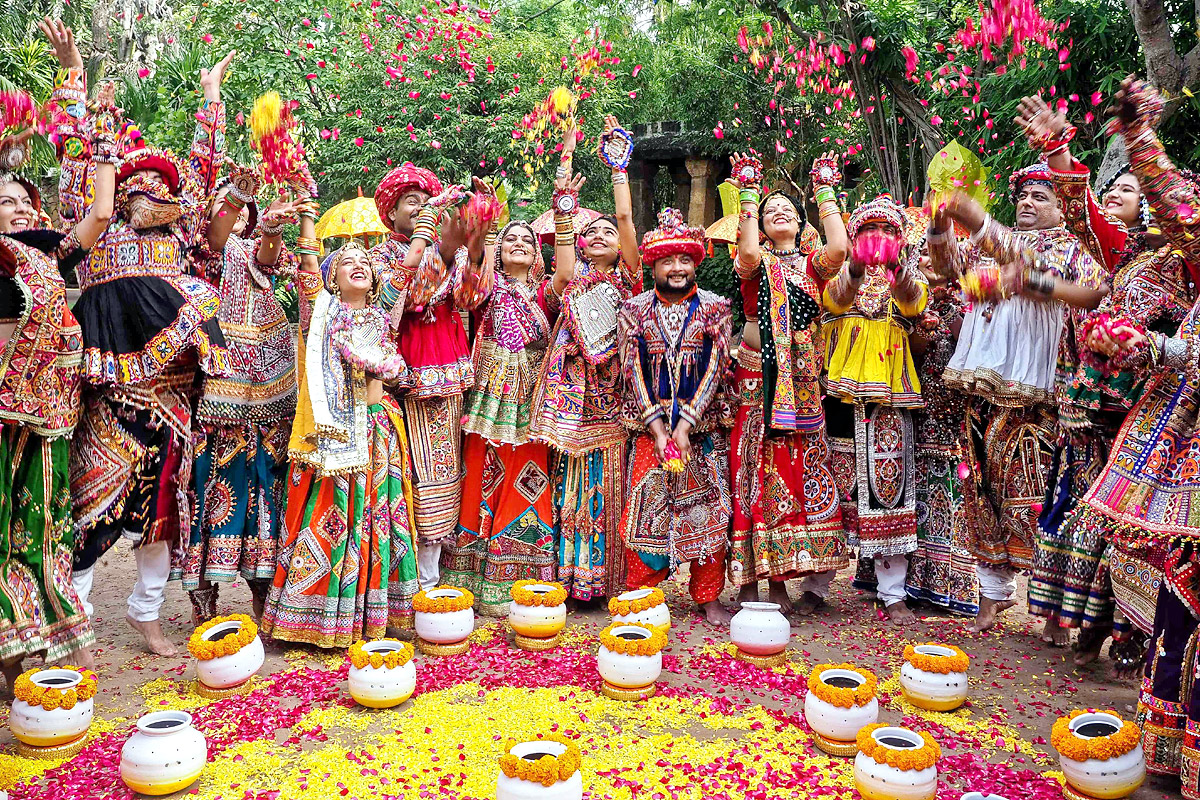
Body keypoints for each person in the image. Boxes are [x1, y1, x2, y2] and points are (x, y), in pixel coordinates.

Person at [59, 32, 234, 657]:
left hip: (173, 395)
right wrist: (73, 78)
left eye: (165, 187)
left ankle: (146, 613)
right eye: (142, 185)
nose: (156, 192)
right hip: (112, 392)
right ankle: (72, 617)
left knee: (162, 511)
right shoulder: (94, 233)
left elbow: (207, 171)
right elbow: (78, 166)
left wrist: (211, 100)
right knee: (95, 509)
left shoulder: (183, 243)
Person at [1016, 92, 1194, 667]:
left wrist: (1149, 346)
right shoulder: (1131, 253)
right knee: (1095, 516)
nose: (1122, 196)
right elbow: (1084, 217)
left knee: (1148, 532)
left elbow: (1177, 210)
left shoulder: (1187, 262)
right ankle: (1095, 628)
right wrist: (1058, 150)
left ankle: (1135, 638)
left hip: (1154, 408)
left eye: (1133, 188)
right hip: (1097, 408)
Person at [1079, 77, 1200, 796]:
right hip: (1185, 442)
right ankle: (1168, 752)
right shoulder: (1178, 249)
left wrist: (1155, 350)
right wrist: (1141, 139)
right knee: (1183, 587)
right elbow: (1183, 213)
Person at [928, 164, 1107, 635]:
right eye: (1023, 194)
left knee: (1038, 496)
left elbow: (1091, 292)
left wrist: (973, 214)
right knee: (981, 491)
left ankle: (1054, 613)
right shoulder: (986, 248)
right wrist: (940, 222)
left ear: (1060, 205)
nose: (1028, 202)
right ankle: (992, 599)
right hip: (979, 388)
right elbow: (947, 271)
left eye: (1040, 196)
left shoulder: (1071, 248)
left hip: (1038, 395)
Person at [0, 75, 119, 679]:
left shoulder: (46, 255)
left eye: (25, 199)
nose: (20, 206)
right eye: (6, 201)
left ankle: (29, 651)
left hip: (50, 424)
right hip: (4, 422)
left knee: (42, 532)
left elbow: (102, 210)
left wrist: (86, 100)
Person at [260, 230, 420, 647]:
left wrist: (428, 217)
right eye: (347, 260)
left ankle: (373, 616)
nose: (359, 263)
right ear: (333, 280)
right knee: (332, 517)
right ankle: (315, 618)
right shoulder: (322, 315)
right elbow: (309, 265)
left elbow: (409, 264)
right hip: (336, 434)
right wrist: (305, 211)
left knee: (378, 522)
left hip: (377, 429)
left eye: (365, 259)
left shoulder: (383, 314)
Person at [439, 182, 578, 613]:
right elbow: (473, 266)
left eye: (528, 241)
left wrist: (563, 212)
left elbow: (568, 275)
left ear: (538, 255)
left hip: (533, 400)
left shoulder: (544, 295)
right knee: (481, 474)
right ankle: (474, 578)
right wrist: (485, 218)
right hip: (488, 400)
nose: (519, 244)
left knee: (528, 476)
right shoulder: (487, 289)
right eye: (511, 239)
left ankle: (521, 579)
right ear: (499, 250)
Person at [725, 152, 849, 615]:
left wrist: (824, 188)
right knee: (748, 468)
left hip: (798, 384)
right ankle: (746, 578)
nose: (779, 212)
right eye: (769, 210)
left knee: (788, 470)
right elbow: (751, 251)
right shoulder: (752, 264)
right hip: (757, 375)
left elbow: (840, 250)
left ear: (802, 224)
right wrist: (748, 190)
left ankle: (780, 576)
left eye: (787, 210)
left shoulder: (814, 266)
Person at [178, 164, 302, 623]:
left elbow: (268, 258)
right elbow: (213, 238)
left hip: (270, 388)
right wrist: (235, 192)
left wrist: (271, 227)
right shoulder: (207, 251)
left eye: (246, 202)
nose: (238, 210)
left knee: (268, 489)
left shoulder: (258, 246)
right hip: (221, 388)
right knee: (211, 486)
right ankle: (204, 599)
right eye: (232, 203)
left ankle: (263, 594)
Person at [531, 117, 642, 602]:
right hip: (570, 404)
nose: (599, 234)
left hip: (613, 400)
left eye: (606, 232)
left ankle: (609, 583)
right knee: (569, 490)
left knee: (609, 487)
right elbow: (560, 251)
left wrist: (619, 168)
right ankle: (569, 582)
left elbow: (623, 220)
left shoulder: (633, 281)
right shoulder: (568, 280)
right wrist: (563, 187)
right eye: (588, 230)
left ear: (620, 248)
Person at [618, 208, 734, 625]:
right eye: (667, 260)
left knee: (710, 510)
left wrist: (684, 426)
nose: (677, 268)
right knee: (647, 507)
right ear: (653, 265)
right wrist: (658, 429)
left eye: (685, 259)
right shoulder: (634, 309)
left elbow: (717, 367)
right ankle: (642, 592)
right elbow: (631, 369)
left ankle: (708, 595)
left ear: (695, 261)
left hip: (701, 430)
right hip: (650, 431)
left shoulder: (716, 308)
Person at [370, 164, 483, 589]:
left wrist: (476, 230)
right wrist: (444, 241)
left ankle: (430, 578)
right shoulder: (381, 257)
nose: (420, 209)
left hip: (447, 375)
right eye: (410, 202)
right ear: (391, 211)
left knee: (441, 470)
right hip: (399, 378)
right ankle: (401, 581)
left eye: (425, 202)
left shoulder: (442, 251)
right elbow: (412, 297)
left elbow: (471, 297)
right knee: (405, 476)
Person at [820, 194, 929, 625]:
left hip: (889, 398)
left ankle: (892, 592)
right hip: (838, 398)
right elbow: (834, 300)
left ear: (901, 240)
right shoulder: (839, 272)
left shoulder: (907, 277)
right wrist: (858, 267)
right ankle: (817, 584)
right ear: (853, 236)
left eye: (887, 230)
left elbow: (914, 301)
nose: (877, 237)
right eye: (868, 229)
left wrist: (895, 268)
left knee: (889, 490)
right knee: (832, 486)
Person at [904, 248, 979, 616]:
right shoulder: (907, 298)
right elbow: (911, 353)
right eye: (924, 257)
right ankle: (908, 584)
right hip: (915, 418)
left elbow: (971, 345)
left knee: (953, 497)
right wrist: (921, 324)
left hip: (956, 422)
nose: (930, 263)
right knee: (914, 495)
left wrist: (953, 307)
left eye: (939, 257)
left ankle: (952, 586)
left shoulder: (972, 300)